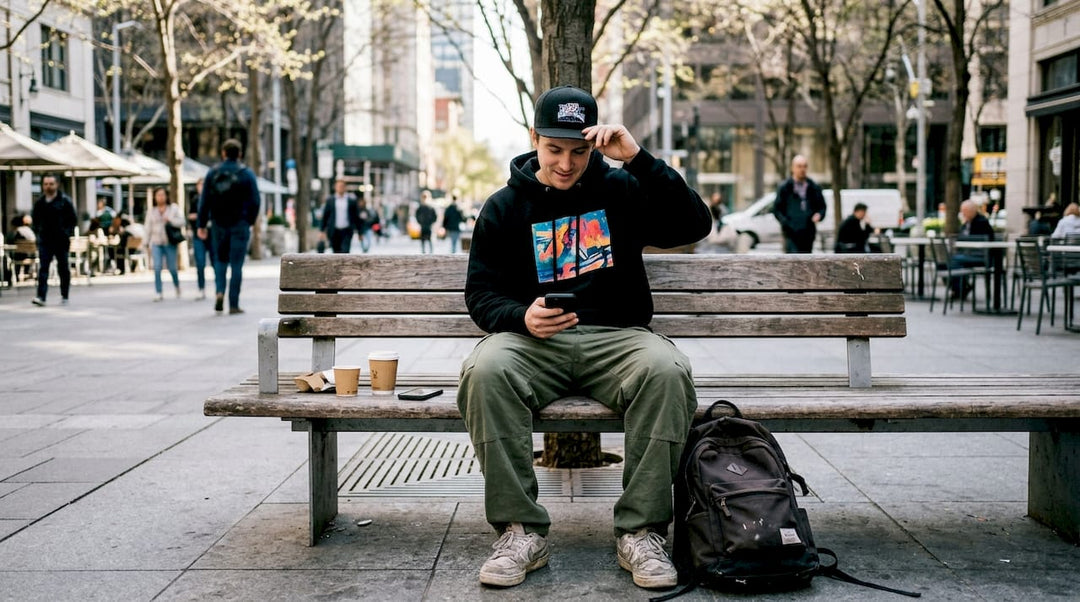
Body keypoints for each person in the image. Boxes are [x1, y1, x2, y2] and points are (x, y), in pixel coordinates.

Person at [458, 85, 712, 590]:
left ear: (594, 145)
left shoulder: (621, 191)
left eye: (579, 151)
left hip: (616, 340)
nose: (566, 163)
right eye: (554, 149)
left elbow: (695, 223)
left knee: (667, 370)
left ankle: (640, 532)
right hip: (534, 344)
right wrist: (519, 316)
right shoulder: (504, 206)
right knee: (484, 371)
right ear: (535, 139)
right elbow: (480, 293)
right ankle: (521, 531)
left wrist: (638, 160)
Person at [197, 138, 260, 314]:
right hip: (240, 224)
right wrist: (250, 221)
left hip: (218, 224)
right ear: (239, 154)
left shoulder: (212, 173)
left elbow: (204, 202)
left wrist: (201, 224)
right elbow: (256, 201)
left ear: (223, 153)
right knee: (237, 265)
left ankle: (219, 292)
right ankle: (233, 303)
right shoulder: (246, 174)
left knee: (220, 261)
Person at [30, 174, 77, 306]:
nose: (48, 187)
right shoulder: (40, 203)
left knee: (63, 268)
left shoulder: (64, 201)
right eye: (46, 184)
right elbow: (35, 220)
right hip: (45, 240)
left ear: (56, 185)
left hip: (61, 240)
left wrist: (66, 232)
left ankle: (65, 294)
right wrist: (38, 233)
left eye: (51, 184)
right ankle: (41, 297)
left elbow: (72, 219)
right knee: (43, 268)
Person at [772, 155, 826, 253]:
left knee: (806, 261)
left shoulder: (814, 187)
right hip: (791, 233)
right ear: (793, 168)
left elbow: (822, 207)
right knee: (793, 260)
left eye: (804, 166)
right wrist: (786, 223)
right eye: (799, 166)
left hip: (808, 232)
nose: (802, 169)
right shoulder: (785, 187)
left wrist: (819, 215)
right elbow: (777, 209)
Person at [144, 187, 185, 301]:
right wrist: (146, 243)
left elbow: (182, 221)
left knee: (172, 268)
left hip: (169, 242)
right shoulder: (151, 211)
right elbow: (148, 228)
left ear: (166, 196)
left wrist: (171, 221)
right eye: (158, 195)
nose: (160, 197)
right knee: (157, 267)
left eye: (162, 195)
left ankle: (177, 286)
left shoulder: (173, 208)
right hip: (156, 242)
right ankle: (158, 292)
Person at [949, 199, 996, 299]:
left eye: (964, 211)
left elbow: (976, 240)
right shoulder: (967, 223)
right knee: (950, 262)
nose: (962, 214)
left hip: (981, 256)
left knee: (954, 260)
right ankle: (961, 287)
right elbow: (961, 239)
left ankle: (959, 289)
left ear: (971, 211)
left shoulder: (981, 222)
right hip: (970, 255)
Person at [320, 178, 362, 253]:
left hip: (347, 231)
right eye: (338, 186)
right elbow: (325, 216)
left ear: (345, 187)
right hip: (333, 231)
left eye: (342, 186)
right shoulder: (330, 200)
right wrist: (322, 230)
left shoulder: (351, 201)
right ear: (335, 187)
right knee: (336, 252)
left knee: (345, 251)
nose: (340, 188)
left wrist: (360, 232)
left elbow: (356, 217)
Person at [187, 178, 212, 300]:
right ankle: (201, 288)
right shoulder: (195, 200)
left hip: (212, 236)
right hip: (198, 235)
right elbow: (190, 216)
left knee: (216, 263)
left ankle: (219, 290)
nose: (201, 187)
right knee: (200, 263)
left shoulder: (214, 199)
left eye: (203, 185)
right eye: (199, 185)